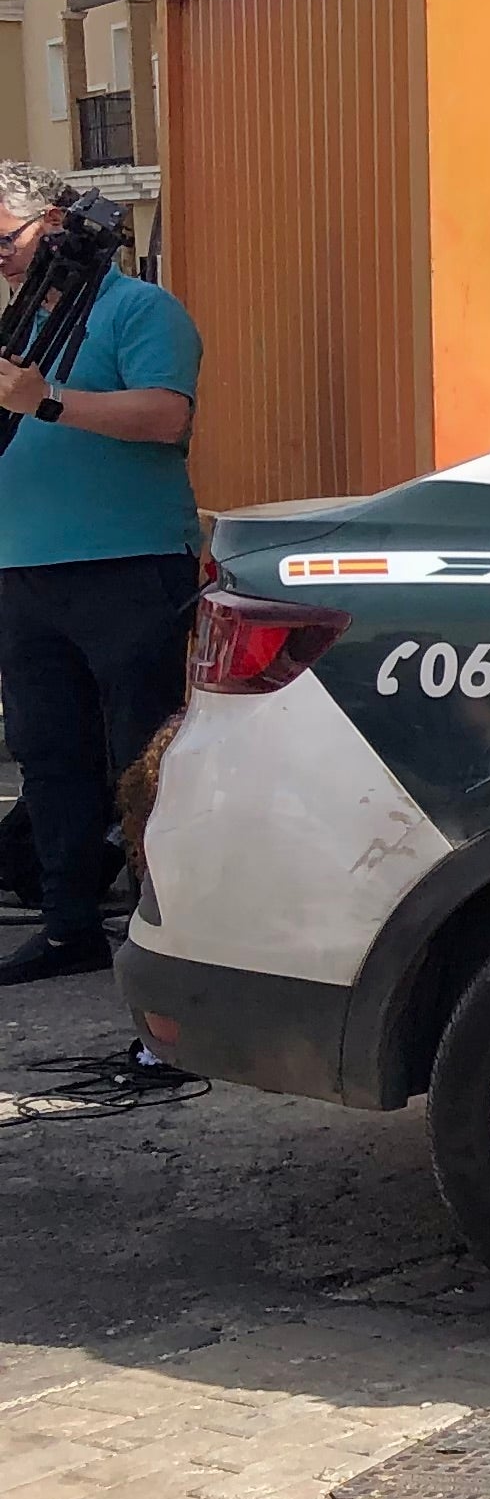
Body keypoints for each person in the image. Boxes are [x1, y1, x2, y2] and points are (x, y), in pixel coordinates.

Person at [0, 169, 202, 986]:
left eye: (5, 240)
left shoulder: (141, 310)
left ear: (53, 221)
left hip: (129, 564)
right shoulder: (16, 326)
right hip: (23, 569)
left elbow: (166, 415)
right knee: (48, 754)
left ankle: (166, 924)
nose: (1, 260)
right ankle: (67, 924)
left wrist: (46, 401)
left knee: (139, 753)